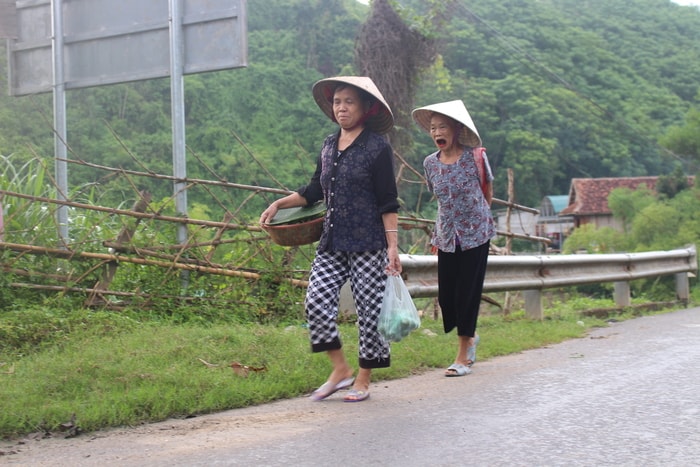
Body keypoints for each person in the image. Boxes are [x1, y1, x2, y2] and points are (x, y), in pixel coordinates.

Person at [260, 76, 401, 402]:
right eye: (337, 101)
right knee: (316, 302)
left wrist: (392, 247)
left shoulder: (377, 147)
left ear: (366, 108)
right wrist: (280, 203)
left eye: (349, 101)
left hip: (368, 242)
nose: (341, 108)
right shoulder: (327, 145)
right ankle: (340, 369)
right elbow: (313, 191)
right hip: (333, 240)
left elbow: (388, 200)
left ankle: (363, 378)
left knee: (370, 311)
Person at [411, 99, 495, 377]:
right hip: (447, 235)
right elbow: (438, 196)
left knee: (466, 294)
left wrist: (477, 220)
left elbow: (487, 192)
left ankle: (463, 353)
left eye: (443, 127)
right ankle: (469, 338)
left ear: (456, 129)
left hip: (476, 233)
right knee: (447, 297)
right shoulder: (429, 164)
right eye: (433, 128)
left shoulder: (475, 157)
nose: (437, 133)